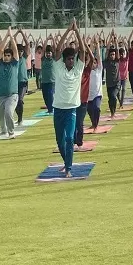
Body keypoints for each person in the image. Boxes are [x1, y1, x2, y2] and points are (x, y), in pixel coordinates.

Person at [51, 22, 88, 177]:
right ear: (64, 60)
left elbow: (83, 51)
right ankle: (67, 162)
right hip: (58, 109)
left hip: (71, 109)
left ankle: (68, 169)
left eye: (73, 59)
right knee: (60, 142)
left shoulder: (78, 69)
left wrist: (77, 31)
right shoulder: (58, 67)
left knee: (68, 138)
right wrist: (68, 30)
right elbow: (58, 49)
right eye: (69, 59)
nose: (71, 61)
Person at [0, 36, 22, 138]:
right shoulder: (0, 64)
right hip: (0, 95)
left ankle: (11, 132)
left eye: (8, 55)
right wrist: (6, 36)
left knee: (8, 113)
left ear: (11, 56)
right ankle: (3, 130)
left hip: (11, 95)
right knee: (0, 116)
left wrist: (12, 37)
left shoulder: (14, 64)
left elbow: (15, 50)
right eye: (5, 55)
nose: (6, 57)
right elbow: (0, 49)